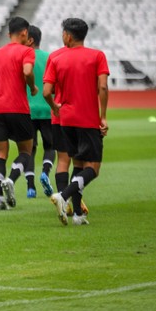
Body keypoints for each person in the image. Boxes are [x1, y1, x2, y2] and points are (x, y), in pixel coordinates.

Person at [44, 18, 109, 226]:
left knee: (77, 163)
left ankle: (78, 215)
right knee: (94, 168)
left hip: (65, 120)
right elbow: (103, 88)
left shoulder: (56, 57)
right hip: (87, 119)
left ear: (68, 36)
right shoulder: (97, 56)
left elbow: (47, 91)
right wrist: (103, 116)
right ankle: (64, 195)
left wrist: (55, 108)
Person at [0, 16, 37, 211]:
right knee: (26, 152)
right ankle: (11, 180)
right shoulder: (27, 51)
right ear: (24, 33)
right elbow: (28, 72)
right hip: (18, 108)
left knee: (1, 154)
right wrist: (32, 87)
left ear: (8, 33)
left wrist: (1, 83)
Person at [25, 25, 55, 198]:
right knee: (50, 146)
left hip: (27, 109)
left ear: (30, 39)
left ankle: (30, 187)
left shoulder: (23, 58)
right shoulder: (49, 58)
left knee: (29, 148)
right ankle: (45, 172)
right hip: (47, 107)